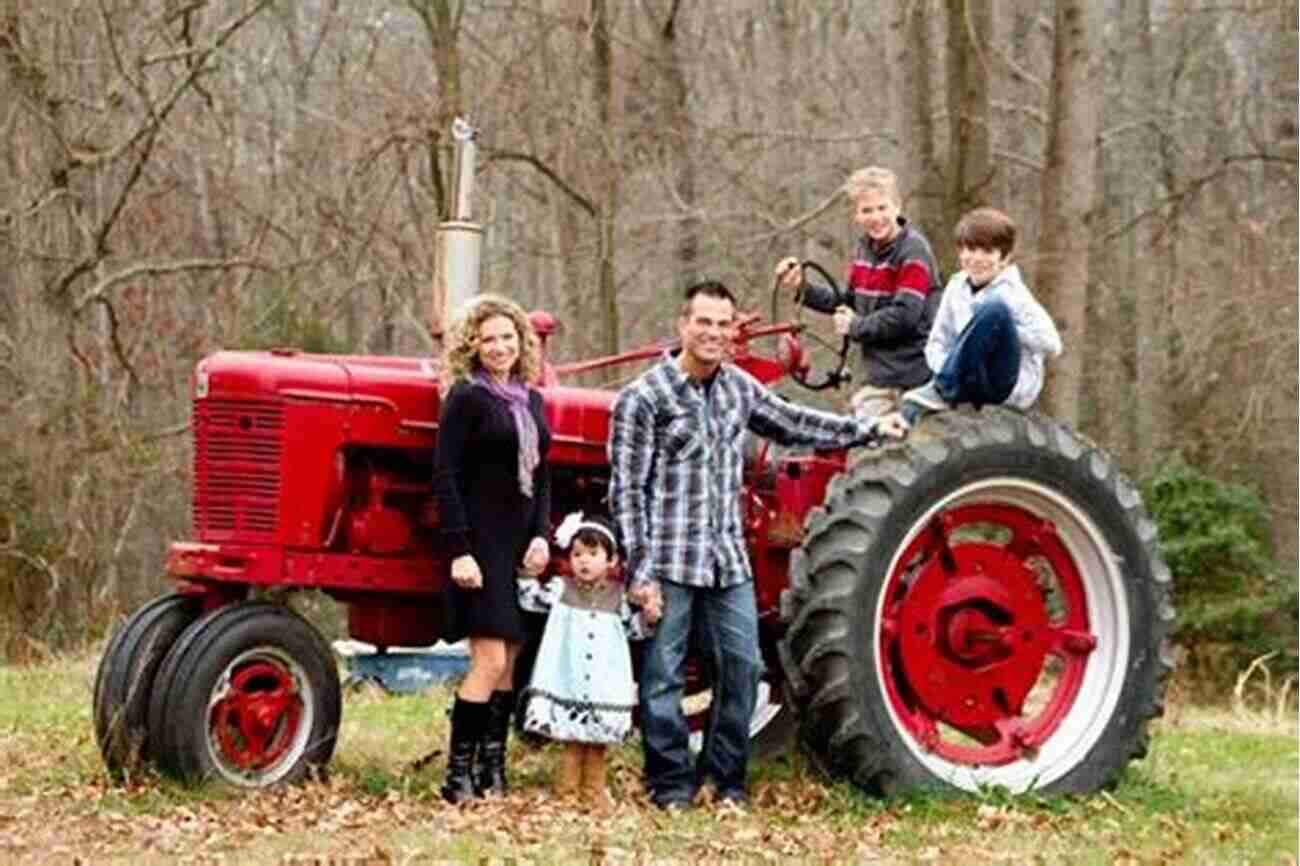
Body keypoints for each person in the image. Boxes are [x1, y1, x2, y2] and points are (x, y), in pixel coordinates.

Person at [608, 280, 884, 811]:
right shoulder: (644, 397)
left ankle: (725, 781)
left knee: (744, 667)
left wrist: (866, 430)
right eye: (704, 322)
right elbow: (626, 490)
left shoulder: (738, 387)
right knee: (663, 675)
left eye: (723, 325)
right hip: (668, 559)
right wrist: (638, 573)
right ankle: (669, 785)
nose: (713, 333)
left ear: (733, 332)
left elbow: (794, 423)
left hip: (727, 560)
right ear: (682, 325)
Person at [432, 294, 552, 804]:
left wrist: (543, 535)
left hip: (519, 543)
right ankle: (457, 776)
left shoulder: (532, 400)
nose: (500, 347)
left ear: (522, 343)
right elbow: (446, 475)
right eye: (489, 339)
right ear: (473, 346)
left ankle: (492, 771)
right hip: (479, 543)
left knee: (510, 661)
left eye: (509, 338)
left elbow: (543, 474)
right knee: (487, 658)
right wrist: (459, 549)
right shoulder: (466, 397)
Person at [775, 166, 943, 419]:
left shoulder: (914, 252)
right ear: (856, 215)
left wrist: (855, 326)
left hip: (913, 377)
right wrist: (802, 288)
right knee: (853, 436)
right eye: (867, 210)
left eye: (882, 208)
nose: (876, 217)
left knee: (871, 448)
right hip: (878, 375)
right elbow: (848, 301)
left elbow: (905, 316)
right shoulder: (865, 250)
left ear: (897, 206)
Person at [516, 511, 658, 810]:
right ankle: (567, 794)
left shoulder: (619, 597)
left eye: (593, 554)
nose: (583, 560)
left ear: (612, 561)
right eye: (577, 553)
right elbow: (532, 600)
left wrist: (648, 618)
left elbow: (634, 631)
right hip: (569, 675)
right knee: (571, 740)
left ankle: (593, 793)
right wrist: (527, 576)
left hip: (603, 680)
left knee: (596, 745)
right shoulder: (560, 589)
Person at [898, 206, 1063, 429]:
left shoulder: (1014, 294)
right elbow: (937, 342)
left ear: (1004, 258)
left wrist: (1007, 329)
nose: (976, 258)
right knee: (910, 409)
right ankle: (945, 387)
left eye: (986, 252)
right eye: (969, 250)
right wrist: (947, 367)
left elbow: (1053, 345)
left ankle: (943, 388)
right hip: (966, 379)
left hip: (1004, 384)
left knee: (994, 311)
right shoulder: (957, 285)